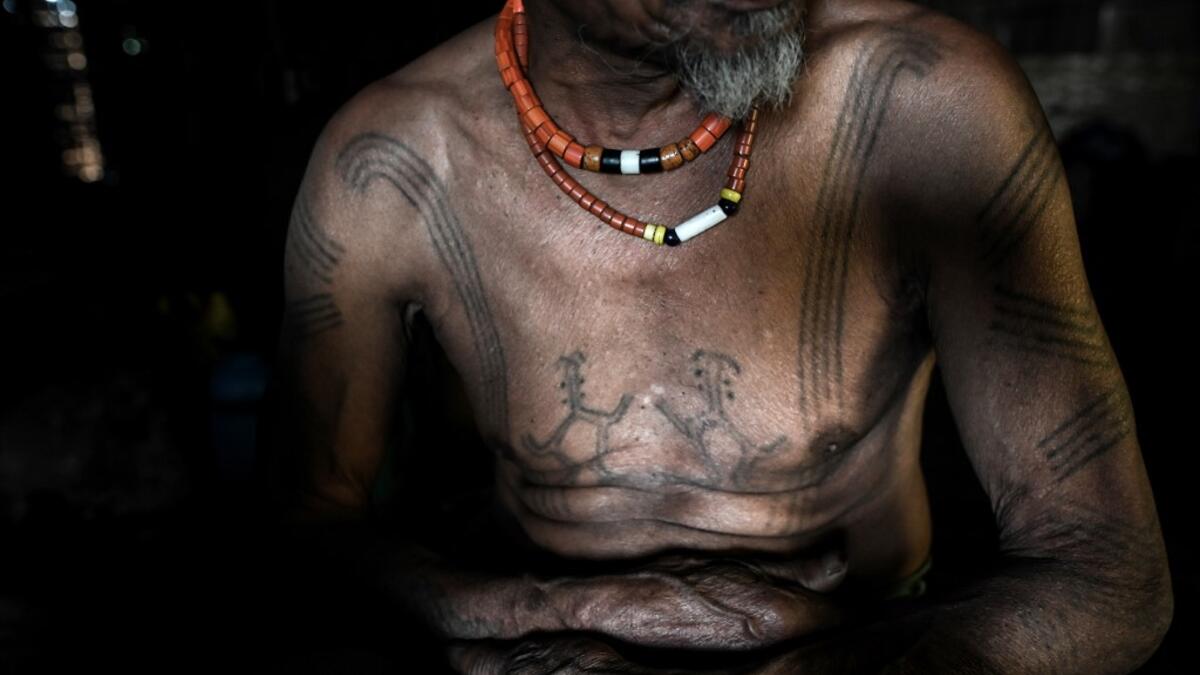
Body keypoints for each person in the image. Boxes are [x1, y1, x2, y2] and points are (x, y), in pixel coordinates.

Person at [269, 0, 1173, 671]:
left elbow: (1113, 580)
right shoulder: (389, 162)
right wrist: (528, 612)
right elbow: (309, 529)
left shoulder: (925, 102)